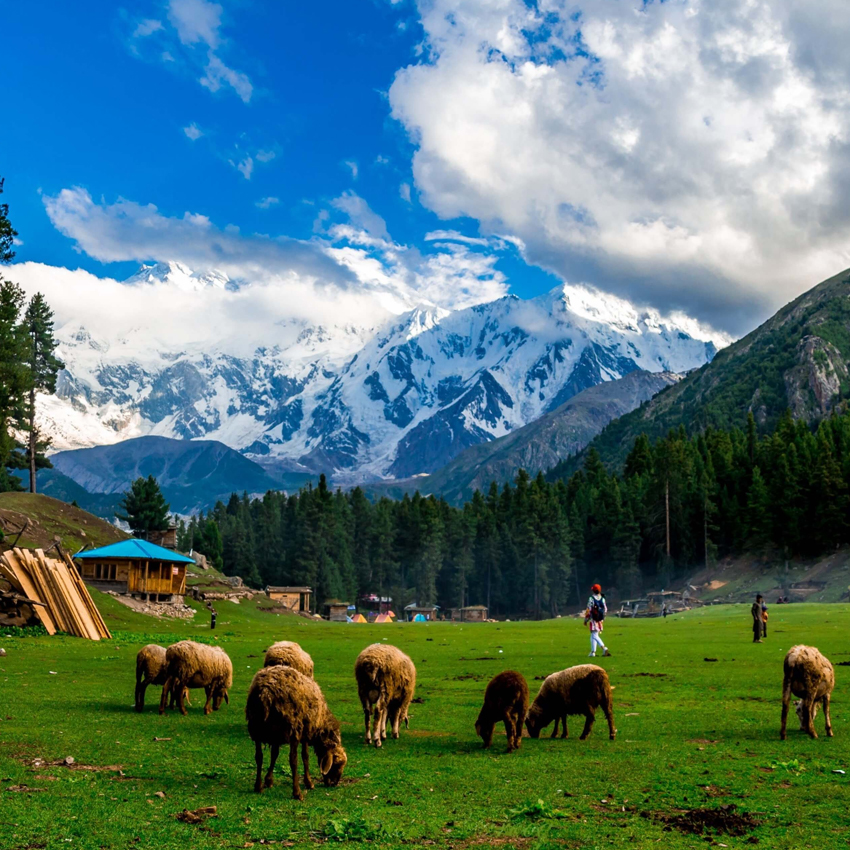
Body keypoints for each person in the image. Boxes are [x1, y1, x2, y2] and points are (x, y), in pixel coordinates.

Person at [585, 584, 611, 657]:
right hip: (600, 619)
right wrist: (603, 618)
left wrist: (586, 619)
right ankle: (593, 652)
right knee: (594, 635)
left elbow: (588, 609)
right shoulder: (602, 598)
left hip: (593, 619)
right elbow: (605, 609)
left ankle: (604, 648)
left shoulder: (591, 598)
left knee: (594, 635)